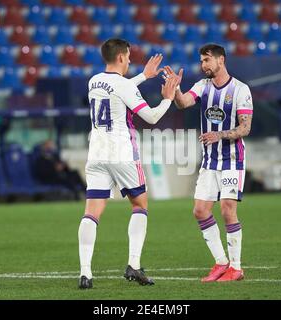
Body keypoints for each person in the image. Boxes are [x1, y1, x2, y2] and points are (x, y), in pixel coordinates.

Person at [78, 38, 180, 289]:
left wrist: (143, 76)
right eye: (129, 56)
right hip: (123, 154)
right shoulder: (123, 85)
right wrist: (167, 98)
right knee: (140, 205)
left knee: (91, 212)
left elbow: (117, 89)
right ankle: (134, 264)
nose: (130, 60)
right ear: (122, 57)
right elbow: (152, 116)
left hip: (96, 155)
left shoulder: (93, 82)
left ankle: (85, 273)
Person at [163, 43, 253, 282]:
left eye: (207, 60)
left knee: (226, 209)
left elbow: (245, 127)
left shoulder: (240, 89)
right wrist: (175, 89)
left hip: (232, 160)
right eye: (201, 61)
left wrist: (219, 135)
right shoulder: (202, 87)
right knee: (200, 210)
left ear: (221, 60)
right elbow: (183, 103)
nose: (203, 66)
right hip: (210, 162)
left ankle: (236, 267)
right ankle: (221, 263)